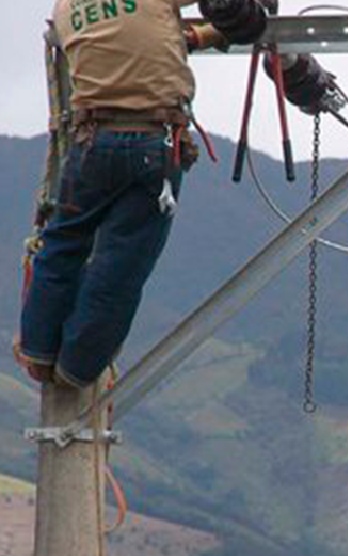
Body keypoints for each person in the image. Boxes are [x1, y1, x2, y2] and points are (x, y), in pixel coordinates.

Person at [15, 0, 222, 388]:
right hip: (151, 141)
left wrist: (188, 36)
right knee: (122, 262)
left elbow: (127, 36)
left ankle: (38, 350)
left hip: (90, 144)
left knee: (62, 242)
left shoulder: (66, 10)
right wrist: (221, 28)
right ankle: (77, 367)